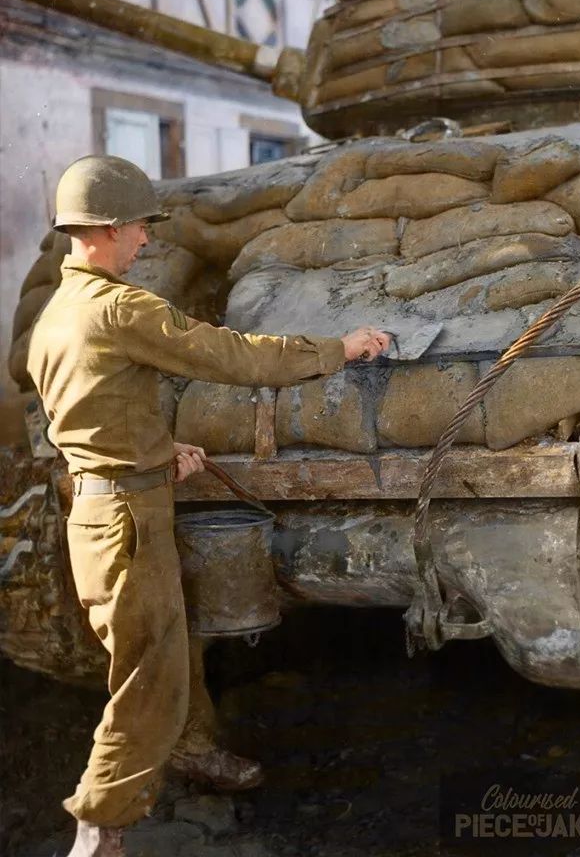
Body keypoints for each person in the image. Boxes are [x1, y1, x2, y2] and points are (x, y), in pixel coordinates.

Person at [26, 155, 391, 857]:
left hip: (102, 512)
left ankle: (177, 761)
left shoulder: (56, 315)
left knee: (158, 655)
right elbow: (230, 356)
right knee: (147, 683)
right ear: (103, 230)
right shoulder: (120, 308)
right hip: (129, 523)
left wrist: (160, 450)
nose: (144, 243)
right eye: (137, 229)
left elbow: (83, 417)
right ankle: (98, 830)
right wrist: (335, 349)